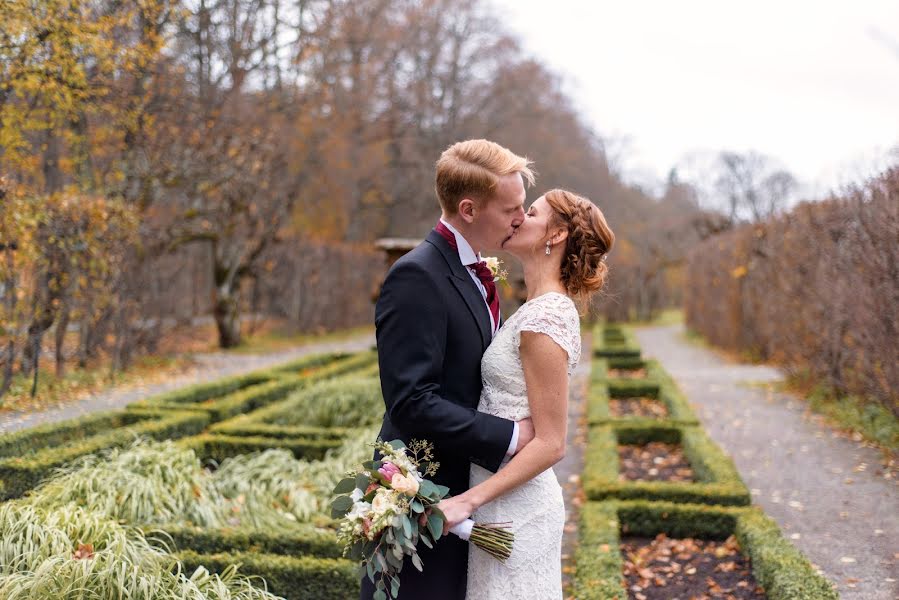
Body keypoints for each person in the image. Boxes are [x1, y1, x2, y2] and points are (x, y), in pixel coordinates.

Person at [363, 139, 539, 600]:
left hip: (468, 489)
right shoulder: (416, 275)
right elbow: (410, 399)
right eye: (511, 209)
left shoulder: (477, 269)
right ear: (468, 209)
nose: (521, 217)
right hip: (424, 493)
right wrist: (512, 436)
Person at [437, 188, 615, 599]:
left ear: (556, 235)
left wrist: (467, 501)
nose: (518, 217)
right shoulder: (534, 307)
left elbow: (552, 443)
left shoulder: (546, 316)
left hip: (516, 511)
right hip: (497, 507)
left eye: (530, 212)